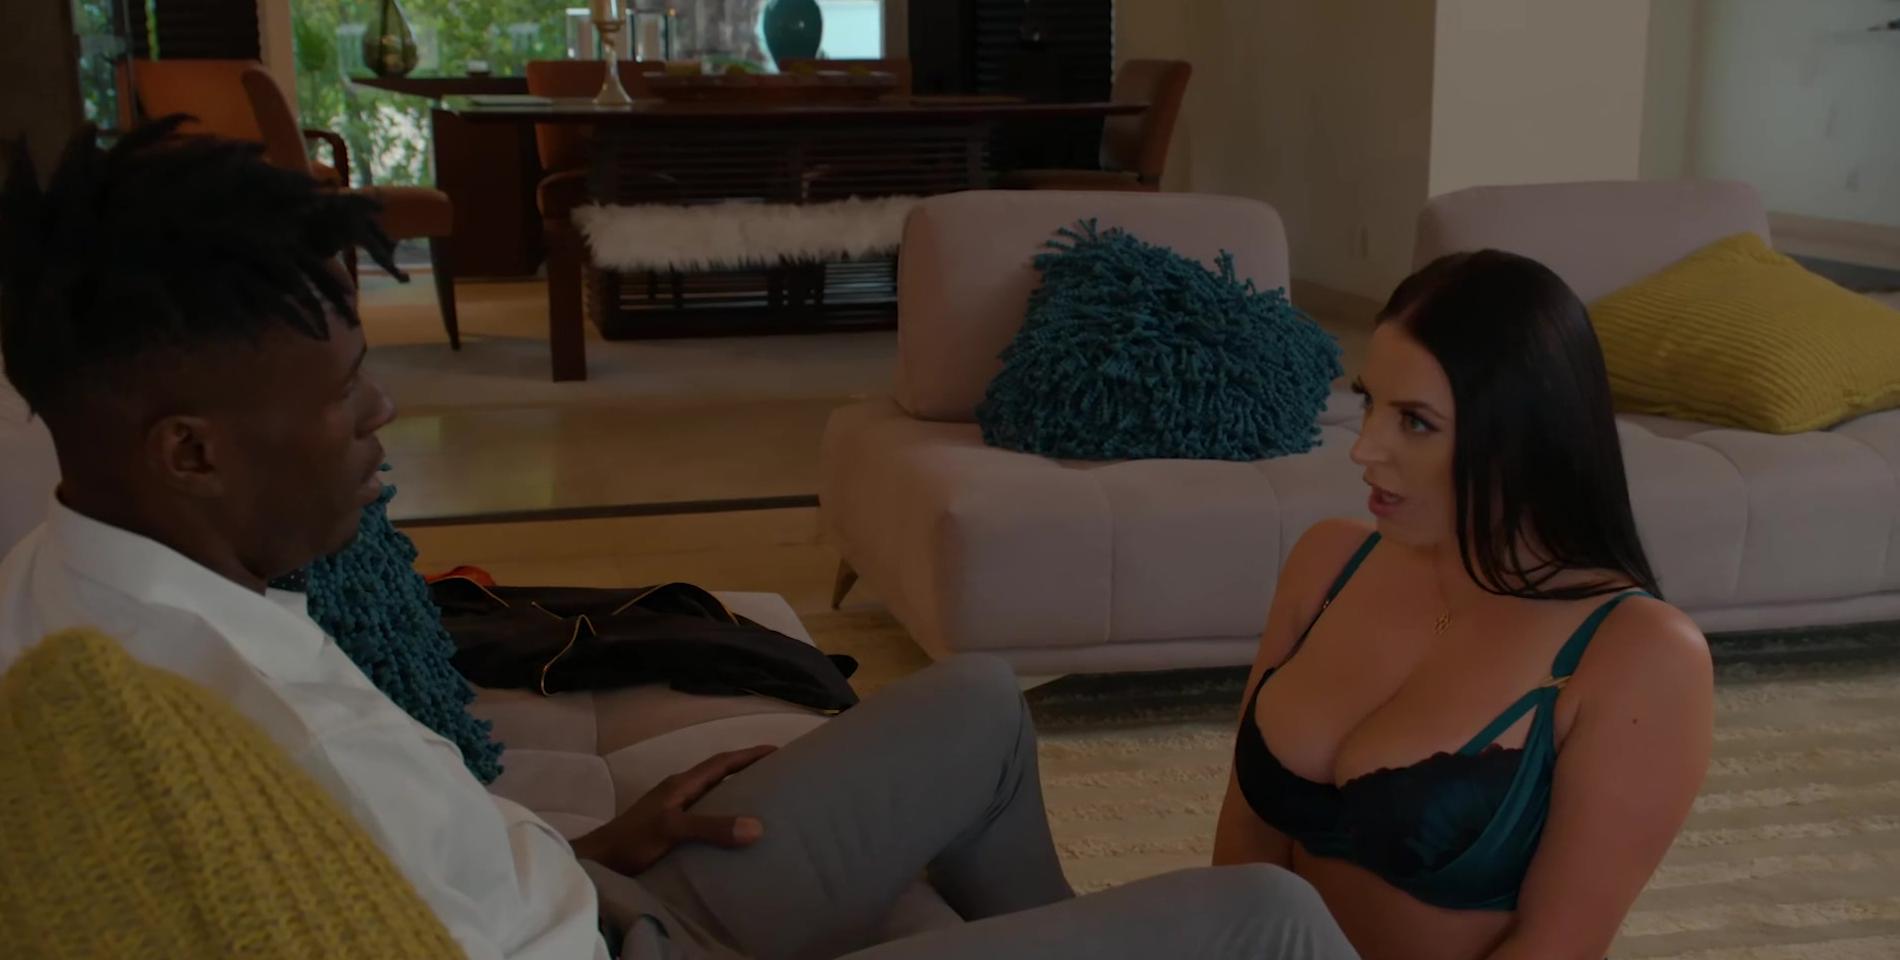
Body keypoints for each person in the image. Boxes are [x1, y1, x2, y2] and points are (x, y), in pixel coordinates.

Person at [0, 120, 1361, 960]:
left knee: (980, 703)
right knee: (1271, 923)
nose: (383, 411)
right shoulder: (184, 723)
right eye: (345, 388)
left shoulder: (100, 580)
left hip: (603, 894)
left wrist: (584, 848)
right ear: (191, 451)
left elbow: (415, 855)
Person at [1213, 250, 1716, 960]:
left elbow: (1557, 945)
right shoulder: (1328, 562)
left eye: (1415, 421)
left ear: (1525, 436)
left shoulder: (1640, 652)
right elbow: (1243, 850)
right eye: (1368, 402)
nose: (1364, 448)